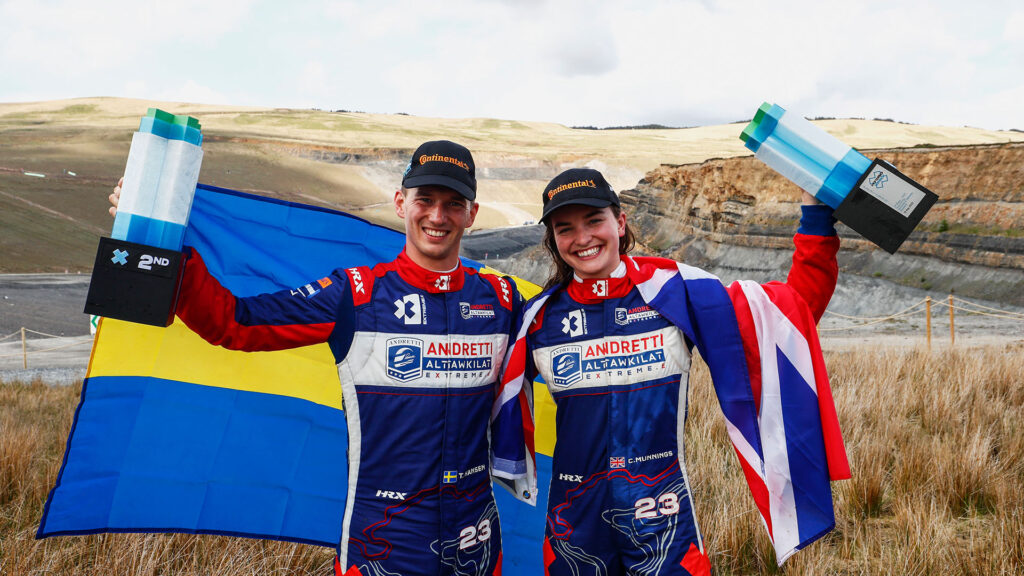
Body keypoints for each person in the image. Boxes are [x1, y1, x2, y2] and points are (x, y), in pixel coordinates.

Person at [111, 140, 520, 576]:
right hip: (383, 541)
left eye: (454, 204)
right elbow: (235, 323)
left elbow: (562, 336)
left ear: (472, 214)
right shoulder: (355, 294)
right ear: (401, 203)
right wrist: (155, 234)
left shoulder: (501, 299)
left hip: (475, 537)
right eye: (425, 200)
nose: (437, 216)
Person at [492, 168, 849, 575]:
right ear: (553, 240)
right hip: (574, 522)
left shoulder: (674, 292)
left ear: (620, 222)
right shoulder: (538, 319)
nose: (583, 237)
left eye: (594, 221)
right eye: (565, 228)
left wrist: (815, 216)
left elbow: (792, 310)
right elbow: (474, 387)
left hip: (664, 514)